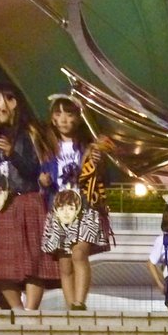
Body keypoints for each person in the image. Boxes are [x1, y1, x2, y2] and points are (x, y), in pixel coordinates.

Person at [0, 85, 59, 310]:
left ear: (13, 102)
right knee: (2, 265)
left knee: (33, 262)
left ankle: (30, 313)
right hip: (4, 203)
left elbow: (33, 171)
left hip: (28, 199)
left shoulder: (30, 131)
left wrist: (12, 154)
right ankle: (17, 312)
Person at [40, 94, 113, 311]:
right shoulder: (48, 149)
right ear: (53, 119)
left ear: (78, 118)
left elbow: (103, 178)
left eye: (69, 114)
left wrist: (97, 163)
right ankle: (71, 307)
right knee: (64, 263)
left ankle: (79, 303)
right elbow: (43, 177)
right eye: (58, 114)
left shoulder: (88, 147)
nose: (63, 119)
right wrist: (43, 181)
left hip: (84, 206)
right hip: (59, 208)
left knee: (79, 253)